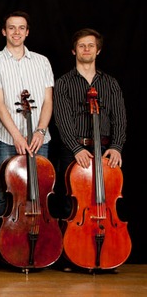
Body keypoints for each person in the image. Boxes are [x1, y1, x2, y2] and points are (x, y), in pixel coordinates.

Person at [0, 11, 54, 218]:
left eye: (21, 28)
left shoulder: (42, 62)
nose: (17, 32)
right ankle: (0, 246)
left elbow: (48, 101)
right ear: (4, 31)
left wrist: (40, 131)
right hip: (6, 140)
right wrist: (16, 135)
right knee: (3, 193)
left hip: (40, 141)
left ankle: (37, 240)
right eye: (12, 28)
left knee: (38, 192)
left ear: (27, 32)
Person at [53, 28, 126, 220]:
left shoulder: (111, 83)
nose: (86, 49)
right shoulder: (63, 83)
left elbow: (119, 118)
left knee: (105, 198)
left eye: (91, 46)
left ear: (98, 51)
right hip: (73, 149)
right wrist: (76, 148)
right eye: (81, 46)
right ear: (74, 51)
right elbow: (62, 119)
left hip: (104, 149)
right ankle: (73, 248)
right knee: (72, 201)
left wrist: (117, 146)